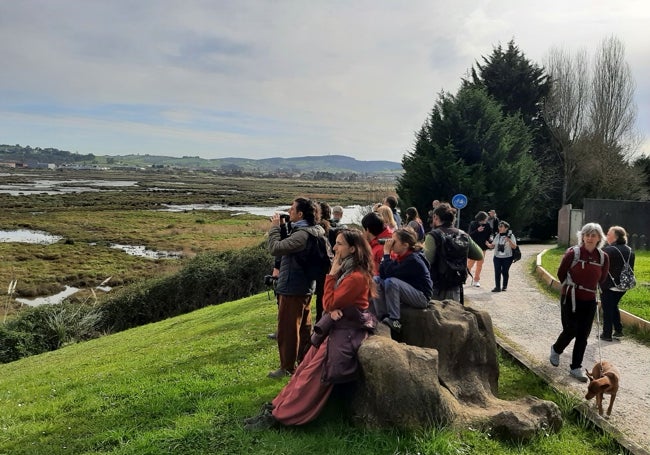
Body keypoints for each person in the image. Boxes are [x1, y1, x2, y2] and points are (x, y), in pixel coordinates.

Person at [244, 229, 378, 430]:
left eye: (339, 244)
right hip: (336, 327)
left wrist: (331, 276)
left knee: (311, 376)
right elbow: (331, 305)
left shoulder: (356, 276)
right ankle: (275, 407)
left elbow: (328, 302)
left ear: (352, 248)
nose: (334, 247)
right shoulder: (349, 271)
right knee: (303, 369)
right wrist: (332, 307)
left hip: (346, 331)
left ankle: (281, 417)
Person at [267, 197, 327, 379]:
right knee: (303, 327)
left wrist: (275, 228)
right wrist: (285, 227)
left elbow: (275, 248)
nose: (289, 211)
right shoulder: (313, 230)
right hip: (305, 286)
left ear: (300, 214)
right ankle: (303, 361)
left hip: (293, 287)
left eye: (292, 209)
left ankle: (286, 367)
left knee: (288, 329)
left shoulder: (302, 234)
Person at [549, 223, 610, 382]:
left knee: (583, 335)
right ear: (582, 236)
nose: (589, 238)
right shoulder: (572, 253)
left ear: (599, 238)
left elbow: (601, 279)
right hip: (570, 297)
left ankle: (576, 367)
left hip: (589, 300)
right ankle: (556, 349)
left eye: (593, 235)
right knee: (571, 329)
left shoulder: (603, 257)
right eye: (587, 235)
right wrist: (571, 287)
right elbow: (561, 273)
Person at [371, 227, 433, 334]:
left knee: (391, 282)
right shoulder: (402, 256)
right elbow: (383, 273)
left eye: (394, 241)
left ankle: (395, 320)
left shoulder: (413, 259)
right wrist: (386, 255)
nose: (390, 243)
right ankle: (383, 316)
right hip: (410, 291)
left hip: (421, 296)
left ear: (405, 245)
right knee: (376, 280)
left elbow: (390, 275)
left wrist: (386, 253)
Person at [424, 203, 483, 304]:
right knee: (454, 316)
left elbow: (426, 261)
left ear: (436, 217)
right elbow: (479, 255)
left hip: (436, 285)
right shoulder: (462, 234)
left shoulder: (433, 235)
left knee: (437, 316)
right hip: (455, 283)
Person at [600, 226, 635, 341]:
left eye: (608, 234)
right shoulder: (630, 250)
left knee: (607, 309)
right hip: (624, 285)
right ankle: (618, 330)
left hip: (610, 285)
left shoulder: (608, 250)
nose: (606, 236)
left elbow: (600, 267)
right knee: (613, 305)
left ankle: (607, 334)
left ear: (615, 237)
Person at [314, 202, 333, 323]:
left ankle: (320, 324)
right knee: (325, 298)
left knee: (321, 298)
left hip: (322, 268)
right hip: (329, 267)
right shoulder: (333, 229)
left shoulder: (319, 231)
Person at [486, 221, 517, 292]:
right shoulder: (497, 235)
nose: (499, 228)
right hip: (497, 257)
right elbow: (492, 246)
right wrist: (488, 244)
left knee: (504, 271)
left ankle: (504, 286)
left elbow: (514, 247)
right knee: (497, 271)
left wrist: (509, 240)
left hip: (507, 257)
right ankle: (497, 287)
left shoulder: (511, 236)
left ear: (506, 228)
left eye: (501, 226)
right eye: (499, 226)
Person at [467, 211, 493, 287]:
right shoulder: (473, 224)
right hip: (473, 247)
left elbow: (489, 236)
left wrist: (490, 242)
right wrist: (477, 230)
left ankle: (476, 280)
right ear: (482, 218)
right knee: (470, 264)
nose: (487, 219)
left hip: (483, 248)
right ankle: (464, 277)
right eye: (486, 218)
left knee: (480, 265)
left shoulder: (487, 225)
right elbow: (469, 235)